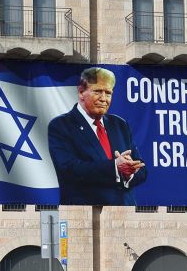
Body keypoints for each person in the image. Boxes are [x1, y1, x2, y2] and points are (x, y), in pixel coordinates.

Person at [47, 67, 147, 205]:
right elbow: (69, 170)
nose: (104, 99)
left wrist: (129, 172)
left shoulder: (120, 124)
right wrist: (115, 167)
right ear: (81, 92)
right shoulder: (61, 125)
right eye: (98, 91)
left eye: (108, 93)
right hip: (85, 213)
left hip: (125, 213)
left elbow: (142, 170)